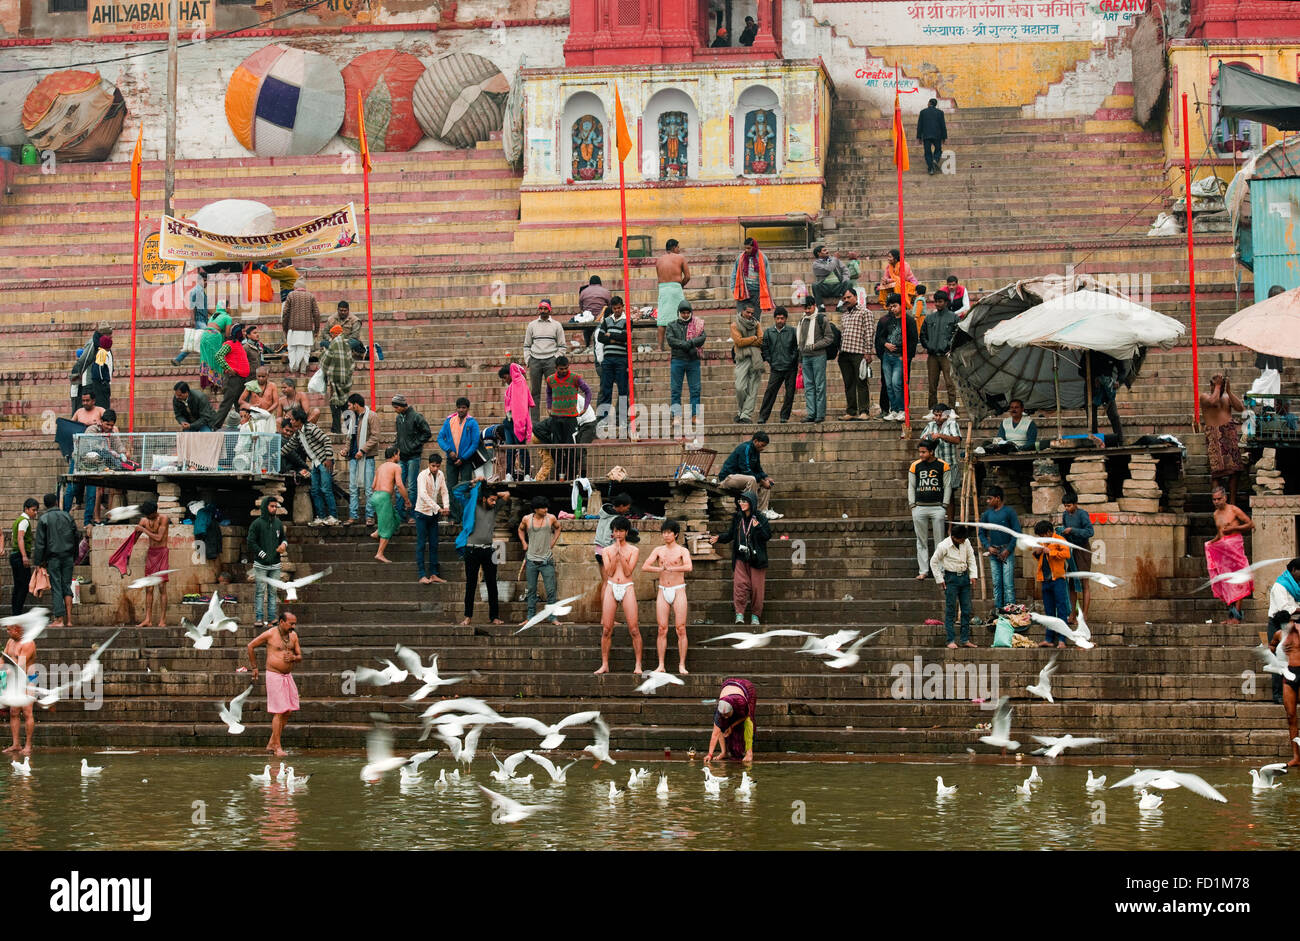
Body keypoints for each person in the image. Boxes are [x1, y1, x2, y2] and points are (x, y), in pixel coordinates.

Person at [246, 611, 303, 757]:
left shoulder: (294, 636)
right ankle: (277, 747)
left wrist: (293, 658)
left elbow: (299, 656)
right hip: (274, 675)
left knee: (288, 711)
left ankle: (272, 742)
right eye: (291, 623)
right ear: (282, 622)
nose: (293, 626)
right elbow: (250, 646)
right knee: (279, 711)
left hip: (287, 676)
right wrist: (254, 667)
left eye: (294, 623)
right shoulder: (270, 634)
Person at [712, 491, 771, 627]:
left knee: (757, 588)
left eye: (744, 501)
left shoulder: (760, 518)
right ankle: (740, 614)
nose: (742, 504)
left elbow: (767, 536)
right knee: (739, 586)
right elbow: (731, 534)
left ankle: (755, 616)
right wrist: (719, 538)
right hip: (740, 557)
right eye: (740, 501)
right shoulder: (738, 517)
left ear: (752, 503)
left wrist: (758, 527)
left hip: (756, 559)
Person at [455, 483, 510, 626]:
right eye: (491, 500)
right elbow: (456, 491)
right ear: (483, 499)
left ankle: (494, 616)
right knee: (471, 585)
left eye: (494, 500)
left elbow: (507, 495)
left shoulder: (494, 507)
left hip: (488, 549)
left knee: (492, 584)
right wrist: (475, 485)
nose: (494, 502)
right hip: (471, 550)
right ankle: (467, 616)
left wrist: (492, 493)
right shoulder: (471, 506)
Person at [642, 518, 692, 674]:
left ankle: (681, 665)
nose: (666, 535)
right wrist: (660, 569)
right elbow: (645, 566)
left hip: (678, 589)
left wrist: (673, 569)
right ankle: (661, 665)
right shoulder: (658, 550)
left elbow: (689, 567)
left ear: (675, 534)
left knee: (681, 628)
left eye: (669, 532)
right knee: (662, 628)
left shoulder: (682, 550)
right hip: (663, 589)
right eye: (664, 532)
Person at [595, 516, 642, 675]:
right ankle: (605, 664)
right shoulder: (606, 550)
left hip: (627, 586)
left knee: (634, 628)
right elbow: (609, 572)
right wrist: (615, 554)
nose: (618, 534)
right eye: (616, 531)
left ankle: (638, 664)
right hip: (611, 586)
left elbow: (628, 571)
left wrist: (621, 554)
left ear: (626, 532)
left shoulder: (634, 550)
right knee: (607, 628)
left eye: (621, 531)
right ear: (612, 532)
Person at [1207, 485, 1254, 625]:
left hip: (1235, 549)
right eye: (1214, 500)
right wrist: (1211, 543)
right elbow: (1220, 533)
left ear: (1225, 498)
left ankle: (1236, 617)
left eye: (1219, 499)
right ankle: (1231, 616)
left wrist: (1234, 528)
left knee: (1239, 581)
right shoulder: (1215, 514)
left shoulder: (1234, 510)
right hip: (1223, 552)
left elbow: (1250, 524)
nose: (1216, 502)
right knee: (1227, 583)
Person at [283, 407, 338, 526]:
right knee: (315, 490)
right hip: (315, 463)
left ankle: (333, 517)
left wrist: (329, 458)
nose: (291, 421)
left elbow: (326, 440)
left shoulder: (311, 428)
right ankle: (321, 517)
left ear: (298, 420)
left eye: (292, 419)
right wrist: (275, 455)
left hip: (324, 461)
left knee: (326, 489)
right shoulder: (298, 433)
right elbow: (288, 447)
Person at [32, 493, 77, 627]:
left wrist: (38, 562)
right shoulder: (67, 516)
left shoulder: (44, 519)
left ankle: (59, 619)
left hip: (54, 558)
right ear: (57, 502)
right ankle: (69, 620)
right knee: (66, 586)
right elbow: (76, 536)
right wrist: (74, 555)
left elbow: (40, 543)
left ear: (45, 505)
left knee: (57, 587)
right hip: (68, 556)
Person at [931, 523, 979, 648]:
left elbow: (971, 558)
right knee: (951, 610)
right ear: (954, 537)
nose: (963, 541)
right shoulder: (943, 546)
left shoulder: (966, 542)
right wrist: (939, 579)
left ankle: (965, 639)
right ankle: (950, 640)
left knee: (967, 609)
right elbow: (933, 562)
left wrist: (973, 575)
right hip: (950, 578)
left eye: (964, 539)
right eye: (961, 539)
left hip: (964, 577)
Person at [1201, 374, 1246, 506]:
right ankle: (1218, 504)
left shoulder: (1226, 397)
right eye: (1215, 385)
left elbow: (1240, 407)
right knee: (1217, 474)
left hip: (1229, 435)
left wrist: (1229, 391)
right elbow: (1214, 402)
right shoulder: (1204, 397)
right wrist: (1218, 385)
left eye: (1220, 386)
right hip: (1215, 437)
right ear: (1211, 385)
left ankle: (1231, 504)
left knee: (1235, 471)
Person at [909, 440, 950, 580]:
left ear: (931, 452)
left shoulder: (943, 465)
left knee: (940, 541)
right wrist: (912, 505)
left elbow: (947, 486)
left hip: (937, 507)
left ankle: (940, 571)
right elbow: (911, 486)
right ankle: (924, 571)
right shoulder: (915, 466)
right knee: (921, 541)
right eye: (920, 452)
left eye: (923, 452)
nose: (921, 454)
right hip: (919, 507)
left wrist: (944, 505)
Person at [519, 495, 562, 627]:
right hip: (531, 560)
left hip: (546, 560)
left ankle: (552, 617)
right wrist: (523, 543)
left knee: (550, 590)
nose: (545, 509)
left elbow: (558, 527)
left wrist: (553, 541)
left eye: (546, 507)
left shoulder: (551, 518)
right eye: (543, 508)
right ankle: (530, 617)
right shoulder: (527, 519)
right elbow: (520, 530)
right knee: (531, 590)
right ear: (536, 509)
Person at [874, 293, 918, 422]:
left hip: (900, 358)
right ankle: (893, 409)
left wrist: (906, 357)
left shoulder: (908, 321)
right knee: (888, 385)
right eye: (891, 306)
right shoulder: (888, 320)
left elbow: (913, 340)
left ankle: (902, 410)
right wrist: (885, 344)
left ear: (901, 305)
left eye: (895, 306)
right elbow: (881, 337)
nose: (892, 309)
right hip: (887, 357)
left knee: (897, 384)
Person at [545, 356, 590, 477]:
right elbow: (548, 393)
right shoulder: (550, 379)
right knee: (557, 448)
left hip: (570, 418)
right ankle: (560, 475)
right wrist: (549, 407)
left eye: (566, 368)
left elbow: (587, 391)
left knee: (571, 449)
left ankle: (571, 476)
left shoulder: (575, 378)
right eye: (561, 369)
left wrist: (585, 407)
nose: (564, 371)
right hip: (555, 418)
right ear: (556, 368)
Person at [247, 495, 287, 629]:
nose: (274, 508)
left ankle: (271, 618)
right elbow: (251, 541)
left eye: (276, 506)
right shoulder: (257, 524)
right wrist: (262, 554)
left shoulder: (278, 523)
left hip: (275, 564)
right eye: (272, 506)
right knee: (260, 591)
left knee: (273, 592)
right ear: (265, 507)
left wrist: (284, 545)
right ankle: (259, 618)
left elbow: (283, 538)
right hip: (261, 565)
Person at [342, 393, 381, 526]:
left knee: (369, 489)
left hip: (367, 458)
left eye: (349, 405)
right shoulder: (351, 417)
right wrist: (346, 449)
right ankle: (353, 516)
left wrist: (362, 450)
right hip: (353, 458)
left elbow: (375, 437)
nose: (348, 407)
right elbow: (349, 437)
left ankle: (370, 516)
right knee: (353, 488)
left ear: (356, 405)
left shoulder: (372, 416)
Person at [392, 394, 433, 523]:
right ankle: (400, 514)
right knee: (399, 486)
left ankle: (413, 515)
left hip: (413, 457)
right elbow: (399, 436)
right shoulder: (399, 418)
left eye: (396, 407)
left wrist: (414, 444)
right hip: (402, 457)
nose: (395, 409)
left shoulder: (416, 417)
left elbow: (427, 433)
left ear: (403, 405)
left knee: (412, 486)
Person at [979, 486, 1020, 609]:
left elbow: (1016, 532)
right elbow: (981, 532)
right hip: (994, 552)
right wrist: (988, 546)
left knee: (1008, 584)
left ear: (998, 498)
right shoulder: (987, 514)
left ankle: (1010, 610)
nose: (987, 501)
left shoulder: (1009, 512)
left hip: (1007, 551)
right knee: (996, 583)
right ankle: (998, 610)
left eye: (989, 499)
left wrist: (1009, 549)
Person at [523, 300, 565, 423]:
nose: (542, 311)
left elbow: (562, 346)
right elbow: (527, 345)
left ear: (550, 309)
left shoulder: (556, 325)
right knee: (534, 392)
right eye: (540, 308)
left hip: (551, 361)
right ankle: (534, 422)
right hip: (535, 360)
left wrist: (556, 359)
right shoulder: (532, 325)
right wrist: (528, 360)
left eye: (545, 308)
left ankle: (555, 419)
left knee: (553, 390)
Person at [836, 287, 874, 421]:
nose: (846, 300)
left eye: (849, 297)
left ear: (856, 297)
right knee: (848, 383)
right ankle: (851, 411)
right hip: (844, 353)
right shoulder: (844, 315)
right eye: (844, 298)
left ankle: (864, 411)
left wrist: (868, 352)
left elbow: (869, 333)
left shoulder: (865, 312)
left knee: (861, 382)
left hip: (859, 353)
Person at [1032, 519, 1072, 647]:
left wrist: (1051, 552)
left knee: (1061, 609)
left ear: (1049, 532)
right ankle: (1049, 639)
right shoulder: (1042, 541)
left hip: (1058, 579)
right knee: (1049, 611)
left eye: (1042, 535)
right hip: (1045, 579)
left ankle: (1062, 640)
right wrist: (1036, 552)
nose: (1041, 537)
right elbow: (1038, 557)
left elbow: (1067, 554)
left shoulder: (1059, 539)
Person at [666, 301, 706, 427]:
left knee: (695, 390)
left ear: (690, 313)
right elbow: (671, 340)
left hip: (693, 361)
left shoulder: (697, 324)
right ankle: (676, 417)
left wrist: (691, 342)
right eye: (683, 313)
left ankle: (694, 416)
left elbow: (703, 337)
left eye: (687, 312)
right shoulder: (672, 325)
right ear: (679, 313)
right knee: (676, 390)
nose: (685, 315)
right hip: (677, 360)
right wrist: (685, 344)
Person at [719, 432, 777, 517]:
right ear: (756, 441)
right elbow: (746, 470)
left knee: (765, 483)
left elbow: (758, 468)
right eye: (762, 445)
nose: (763, 448)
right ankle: (749, 512)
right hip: (729, 478)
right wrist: (761, 481)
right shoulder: (745, 448)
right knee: (752, 479)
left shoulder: (756, 451)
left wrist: (765, 478)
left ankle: (762, 512)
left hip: (743, 479)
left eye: (764, 446)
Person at [758, 306, 799, 424]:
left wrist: (792, 359)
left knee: (789, 393)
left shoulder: (792, 331)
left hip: (790, 368)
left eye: (782, 318)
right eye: (777, 318)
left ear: (786, 319)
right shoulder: (769, 332)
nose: (780, 320)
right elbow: (764, 348)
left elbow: (797, 348)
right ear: (774, 319)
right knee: (770, 393)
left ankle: (784, 417)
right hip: (776, 367)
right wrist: (771, 360)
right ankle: (763, 417)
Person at [369, 446, 410, 564]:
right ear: (394, 455)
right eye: (398, 454)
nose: (399, 457)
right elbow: (400, 485)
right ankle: (379, 553)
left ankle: (377, 532)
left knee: (396, 518)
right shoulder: (396, 466)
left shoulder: (380, 467)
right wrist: (407, 500)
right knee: (388, 526)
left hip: (375, 496)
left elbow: (373, 485)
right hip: (383, 497)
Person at [1058, 491, 1095, 622]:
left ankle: (1084, 614)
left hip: (1083, 550)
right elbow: (1065, 529)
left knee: (1084, 582)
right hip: (1071, 550)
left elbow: (1090, 532)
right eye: (1065, 506)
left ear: (1075, 504)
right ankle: (1072, 614)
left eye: (1069, 506)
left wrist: (1073, 530)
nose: (1067, 508)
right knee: (1072, 583)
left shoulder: (1082, 514)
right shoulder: (1065, 515)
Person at [414, 453, 450, 584]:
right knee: (421, 544)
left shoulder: (440, 475)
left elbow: (444, 491)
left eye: (437, 466)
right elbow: (422, 494)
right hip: (421, 513)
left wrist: (446, 506)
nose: (435, 468)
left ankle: (434, 574)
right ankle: (422, 574)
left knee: (434, 544)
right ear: (429, 464)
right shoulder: (422, 475)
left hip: (433, 514)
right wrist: (438, 507)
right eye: (433, 466)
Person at [920, 403, 961, 516]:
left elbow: (957, 440)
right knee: (938, 494)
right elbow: (921, 442)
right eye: (936, 415)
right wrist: (926, 438)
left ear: (946, 415)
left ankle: (950, 527)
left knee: (950, 496)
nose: (937, 418)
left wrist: (940, 436)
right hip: (935, 466)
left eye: (940, 415)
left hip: (950, 465)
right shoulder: (930, 425)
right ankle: (941, 522)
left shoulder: (952, 424)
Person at [133, 501, 170, 628]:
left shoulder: (163, 519)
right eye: (146, 516)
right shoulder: (143, 521)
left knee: (161, 587)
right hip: (151, 554)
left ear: (155, 512)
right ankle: (148, 619)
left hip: (162, 553)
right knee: (149, 588)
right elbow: (133, 539)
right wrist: (125, 554)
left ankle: (162, 620)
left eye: (150, 515)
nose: (148, 517)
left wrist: (143, 529)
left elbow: (159, 538)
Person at [920, 289, 959, 407]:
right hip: (932, 356)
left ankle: (952, 409)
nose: (937, 304)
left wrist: (949, 347)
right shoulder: (929, 318)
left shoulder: (954, 317)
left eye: (940, 301)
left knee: (950, 384)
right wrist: (929, 346)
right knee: (932, 385)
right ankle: (932, 409)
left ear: (946, 302)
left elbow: (957, 335)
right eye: (936, 301)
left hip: (947, 356)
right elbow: (922, 334)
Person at [1270, 611, 1300, 764]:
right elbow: (1272, 646)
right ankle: (1296, 757)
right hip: (1288, 674)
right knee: (1290, 716)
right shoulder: (1279, 634)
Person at [595, 296, 629, 427]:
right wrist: (616, 339)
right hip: (608, 360)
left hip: (621, 359)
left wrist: (611, 336)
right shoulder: (607, 320)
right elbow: (600, 337)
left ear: (622, 306)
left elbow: (625, 336)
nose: (617, 310)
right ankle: (603, 420)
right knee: (606, 390)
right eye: (615, 308)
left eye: (619, 308)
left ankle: (622, 420)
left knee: (622, 390)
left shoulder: (627, 321)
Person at [705, 677, 756, 763]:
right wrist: (710, 754)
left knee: (748, 721)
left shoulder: (741, 704)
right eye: (723, 715)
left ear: (733, 709)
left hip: (746, 688)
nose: (725, 717)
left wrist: (732, 726)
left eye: (727, 714)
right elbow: (715, 733)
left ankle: (749, 752)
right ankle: (723, 752)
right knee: (721, 724)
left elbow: (746, 716)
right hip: (728, 686)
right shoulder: (719, 710)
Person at [4, 621, 36, 756]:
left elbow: (21, 665)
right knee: (13, 711)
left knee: (27, 711)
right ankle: (16, 744)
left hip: (28, 679)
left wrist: (8, 670)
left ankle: (28, 745)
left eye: (9, 630)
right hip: (15, 679)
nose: (7, 632)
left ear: (17, 629)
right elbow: (3, 657)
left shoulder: (28, 643)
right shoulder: (10, 642)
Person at [437, 397, 482, 492]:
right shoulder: (449, 421)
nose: (461, 410)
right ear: (456, 408)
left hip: (466, 461)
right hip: (451, 460)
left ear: (468, 409)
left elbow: (474, 444)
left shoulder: (472, 422)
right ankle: (453, 507)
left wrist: (463, 458)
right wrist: (449, 451)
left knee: (465, 487)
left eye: (464, 407)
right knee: (451, 487)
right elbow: (440, 438)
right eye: (459, 407)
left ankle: (465, 507)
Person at [797, 297, 831, 423]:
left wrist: (815, 346)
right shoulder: (802, 320)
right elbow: (800, 342)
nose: (806, 310)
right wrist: (800, 360)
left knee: (819, 386)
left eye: (808, 307)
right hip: (805, 357)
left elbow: (829, 338)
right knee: (809, 386)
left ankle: (820, 414)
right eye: (804, 308)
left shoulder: (821, 319)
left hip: (818, 356)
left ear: (814, 305)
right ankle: (811, 413)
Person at [212, 323, 253, 429]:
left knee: (241, 405)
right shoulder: (229, 344)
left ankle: (244, 427)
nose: (245, 333)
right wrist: (228, 368)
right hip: (233, 380)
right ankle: (215, 426)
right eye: (243, 331)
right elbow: (218, 355)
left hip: (241, 379)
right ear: (238, 332)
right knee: (227, 404)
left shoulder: (239, 344)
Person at [498, 363, 534, 480]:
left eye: (505, 377)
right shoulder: (510, 387)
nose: (505, 380)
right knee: (510, 449)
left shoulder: (519, 383)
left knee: (522, 449)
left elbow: (515, 366)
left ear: (511, 374)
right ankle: (509, 474)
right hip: (508, 421)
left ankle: (527, 474)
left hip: (518, 422)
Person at [655, 239, 691, 351]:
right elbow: (688, 276)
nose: (679, 249)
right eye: (678, 247)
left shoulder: (659, 260)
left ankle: (660, 347)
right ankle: (682, 344)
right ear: (674, 247)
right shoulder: (680, 257)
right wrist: (680, 286)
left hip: (663, 289)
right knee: (681, 317)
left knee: (662, 319)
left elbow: (659, 277)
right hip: (676, 288)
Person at [69, 321, 113, 412]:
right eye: (109, 334)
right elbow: (83, 361)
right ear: (103, 334)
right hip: (92, 384)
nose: (111, 336)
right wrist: (77, 380)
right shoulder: (93, 344)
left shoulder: (104, 345)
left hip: (102, 385)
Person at [731, 300, 763, 424]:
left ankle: (746, 414)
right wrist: (753, 338)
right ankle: (741, 412)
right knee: (740, 387)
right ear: (742, 311)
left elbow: (761, 340)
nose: (750, 315)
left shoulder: (756, 324)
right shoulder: (735, 325)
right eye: (747, 312)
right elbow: (738, 342)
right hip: (742, 358)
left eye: (752, 313)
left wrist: (749, 340)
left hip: (756, 359)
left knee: (753, 388)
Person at [594, 490, 633, 590]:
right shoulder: (614, 518)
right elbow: (608, 538)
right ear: (620, 506)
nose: (627, 510)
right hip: (606, 551)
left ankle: (605, 605)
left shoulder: (605, 513)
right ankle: (606, 605)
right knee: (608, 583)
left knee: (605, 582)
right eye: (626, 507)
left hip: (598, 550)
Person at [320, 325, 355, 434]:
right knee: (345, 403)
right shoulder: (347, 343)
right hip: (346, 379)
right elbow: (350, 361)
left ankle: (336, 428)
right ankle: (350, 428)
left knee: (334, 403)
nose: (331, 336)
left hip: (336, 378)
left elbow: (326, 360)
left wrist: (322, 359)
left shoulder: (335, 343)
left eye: (332, 334)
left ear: (335, 333)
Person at [282, 283, 321, 374]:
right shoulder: (310, 296)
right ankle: (303, 369)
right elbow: (317, 314)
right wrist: (316, 330)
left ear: (295, 287)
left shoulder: (291, 295)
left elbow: (285, 313)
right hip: (307, 330)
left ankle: (294, 368)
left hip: (293, 329)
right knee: (306, 349)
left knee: (292, 349)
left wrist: (285, 328)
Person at [1088, 350, 1124, 445]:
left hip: (1108, 386)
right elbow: (1081, 370)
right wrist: (1093, 378)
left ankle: (1120, 442)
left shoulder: (1111, 350)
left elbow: (1122, 370)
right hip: (1092, 387)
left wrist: (1118, 381)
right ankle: (1094, 442)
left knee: (1114, 415)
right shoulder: (1090, 352)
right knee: (1092, 418)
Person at [173, 270, 209, 365]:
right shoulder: (195, 291)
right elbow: (192, 307)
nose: (206, 283)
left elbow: (205, 308)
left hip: (204, 320)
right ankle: (205, 361)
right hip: (199, 320)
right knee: (207, 337)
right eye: (205, 280)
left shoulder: (202, 292)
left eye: (207, 281)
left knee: (196, 341)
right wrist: (193, 320)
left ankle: (178, 359)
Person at [10, 498, 38, 616]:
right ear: (26, 509)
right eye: (33, 510)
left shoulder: (19, 520)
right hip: (19, 556)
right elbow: (20, 538)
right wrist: (24, 556)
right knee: (23, 585)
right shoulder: (24, 521)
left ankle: (15, 612)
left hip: (15, 555)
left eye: (36, 510)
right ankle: (17, 612)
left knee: (18, 585)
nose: (35, 513)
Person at [732, 237, 772, 313]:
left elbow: (768, 275)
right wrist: (733, 289)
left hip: (757, 292)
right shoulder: (740, 258)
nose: (746, 250)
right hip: (743, 292)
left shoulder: (763, 258)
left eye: (749, 248)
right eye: (745, 248)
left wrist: (765, 290)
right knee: (741, 317)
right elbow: (734, 274)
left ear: (754, 247)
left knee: (755, 319)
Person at [196, 309, 231, 391]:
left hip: (204, 336)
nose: (230, 308)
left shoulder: (213, 316)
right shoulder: (227, 317)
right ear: (225, 308)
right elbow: (227, 334)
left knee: (205, 359)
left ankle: (207, 382)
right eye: (228, 306)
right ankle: (215, 383)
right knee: (216, 359)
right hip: (214, 337)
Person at [810, 243, 849, 308]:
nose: (827, 251)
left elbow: (845, 270)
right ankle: (820, 306)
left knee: (848, 282)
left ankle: (840, 304)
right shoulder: (816, 264)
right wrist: (835, 259)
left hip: (837, 287)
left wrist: (844, 279)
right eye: (824, 250)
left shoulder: (834, 260)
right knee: (815, 285)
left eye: (827, 250)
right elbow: (828, 269)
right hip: (825, 288)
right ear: (819, 254)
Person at [917, 97, 948, 175]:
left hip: (926, 135)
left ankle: (930, 168)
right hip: (937, 135)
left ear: (929, 103)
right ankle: (935, 159)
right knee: (938, 150)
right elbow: (942, 125)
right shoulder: (940, 112)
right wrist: (944, 136)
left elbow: (919, 125)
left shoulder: (923, 112)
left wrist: (919, 136)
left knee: (927, 152)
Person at [87, 335, 113, 411]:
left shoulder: (103, 352)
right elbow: (99, 367)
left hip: (101, 383)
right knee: (103, 405)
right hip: (100, 384)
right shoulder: (102, 352)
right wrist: (103, 381)